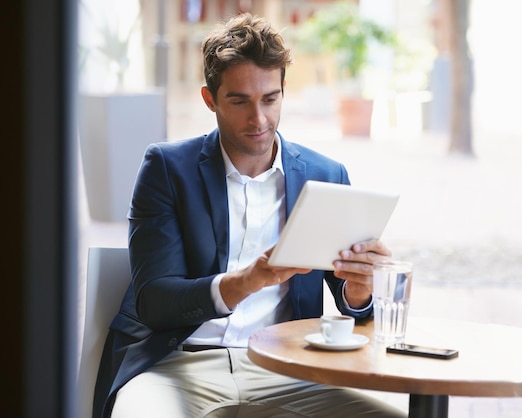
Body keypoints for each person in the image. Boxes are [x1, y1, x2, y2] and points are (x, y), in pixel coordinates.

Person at [93, 13, 405, 418]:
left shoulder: (326, 176)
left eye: (269, 99)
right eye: (239, 101)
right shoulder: (168, 169)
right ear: (210, 99)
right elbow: (155, 302)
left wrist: (360, 290)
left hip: (286, 370)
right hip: (176, 366)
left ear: (283, 92)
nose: (258, 120)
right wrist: (246, 282)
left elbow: (354, 308)